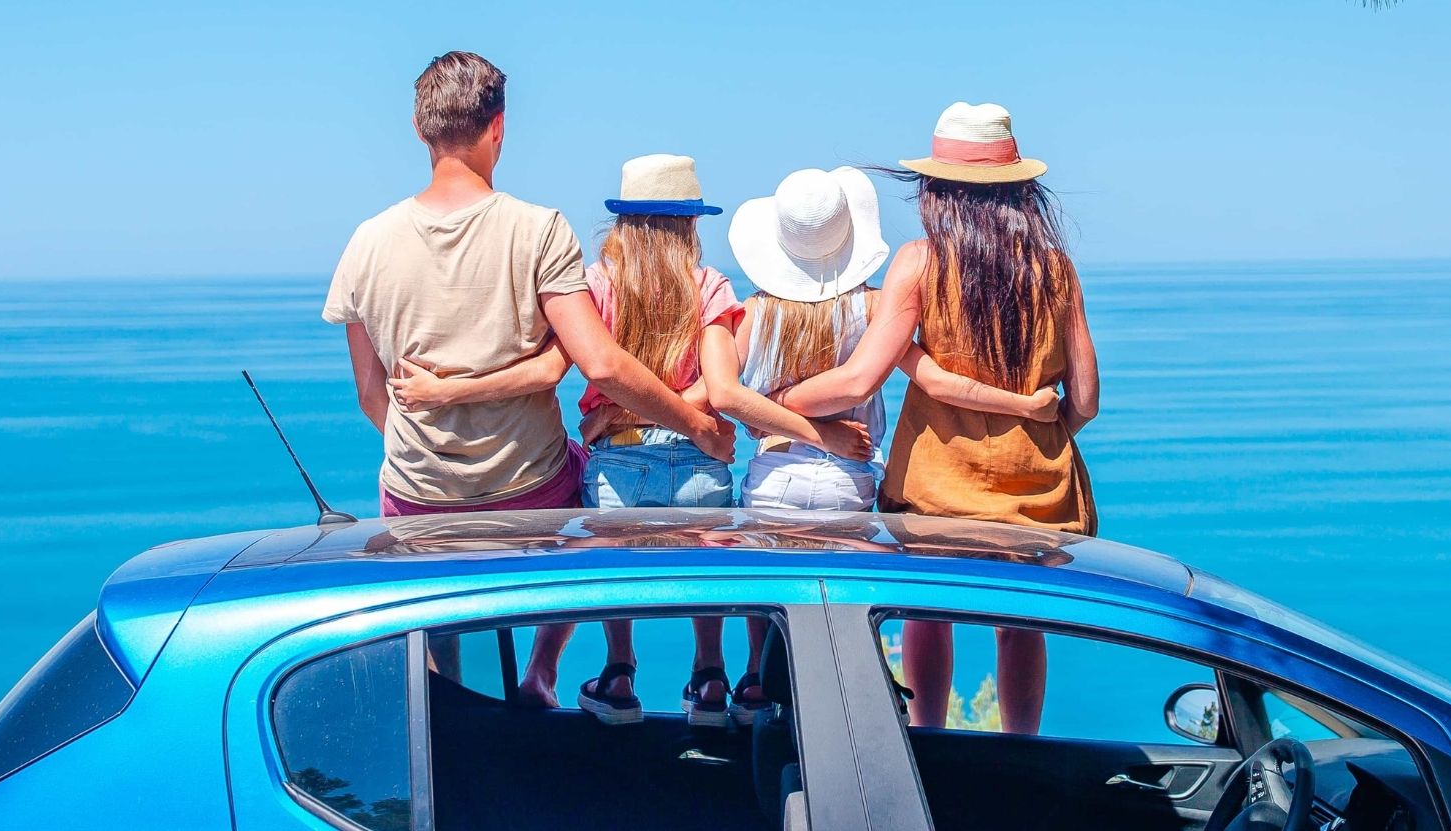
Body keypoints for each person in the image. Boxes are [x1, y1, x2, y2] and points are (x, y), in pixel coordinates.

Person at [324, 52, 733, 701]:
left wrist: (437, 446)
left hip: (418, 496)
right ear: (499, 128)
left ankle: (444, 698)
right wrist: (693, 423)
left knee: (431, 590)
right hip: (527, 491)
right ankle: (541, 670)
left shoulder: (366, 243)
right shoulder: (539, 230)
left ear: (417, 126)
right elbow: (598, 363)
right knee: (589, 492)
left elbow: (372, 397)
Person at [774, 103, 1100, 735]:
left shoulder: (921, 263)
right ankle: (1021, 751)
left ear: (939, 192)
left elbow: (860, 379)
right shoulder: (1056, 269)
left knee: (929, 615)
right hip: (1038, 500)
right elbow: (1085, 398)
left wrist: (781, 403)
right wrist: (1037, 434)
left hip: (935, 495)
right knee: (1020, 626)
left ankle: (928, 741)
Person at [713, 165, 1059, 722]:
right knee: (843, 610)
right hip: (848, 481)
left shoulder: (749, 314)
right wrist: (1025, 406)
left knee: (770, 595)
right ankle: (859, 712)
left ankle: (757, 682)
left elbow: (726, 397)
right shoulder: (875, 309)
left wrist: (777, 414)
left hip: (773, 478)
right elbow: (923, 376)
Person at [568, 153, 791, 727]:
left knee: (611, 574)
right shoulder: (710, 287)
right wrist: (684, 412)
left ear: (624, 225)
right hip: (697, 462)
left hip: (620, 462)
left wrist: (615, 415)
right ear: (689, 225)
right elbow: (722, 388)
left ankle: (619, 673)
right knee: (708, 571)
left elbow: (595, 371)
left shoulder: (595, 284)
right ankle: (711, 676)